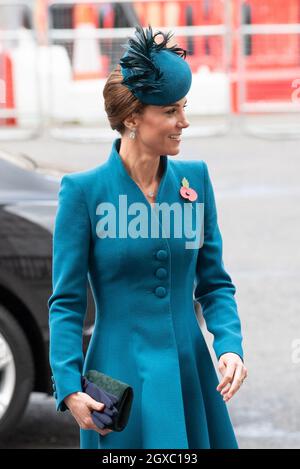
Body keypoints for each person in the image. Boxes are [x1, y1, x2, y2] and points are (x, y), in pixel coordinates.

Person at [48, 24, 248, 449]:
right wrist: (68, 387)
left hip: (188, 369)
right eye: (171, 110)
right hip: (118, 377)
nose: (184, 122)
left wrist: (229, 346)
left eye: (184, 107)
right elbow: (66, 303)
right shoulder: (83, 193)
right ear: (133, 117)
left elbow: (214, 283)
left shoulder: (196, 182)